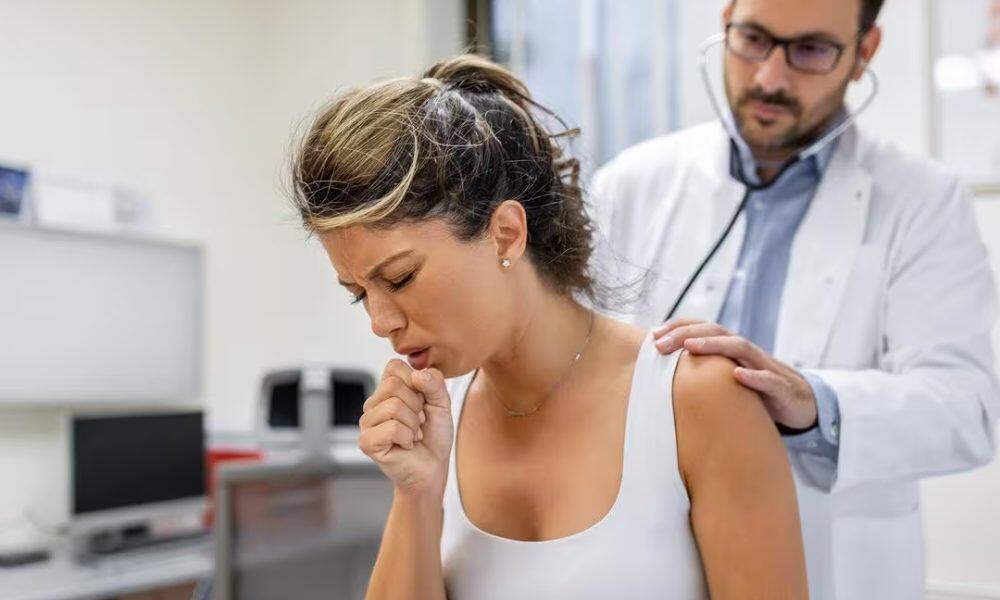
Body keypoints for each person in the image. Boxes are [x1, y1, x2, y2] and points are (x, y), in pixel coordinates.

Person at [289, 55, 808, 599]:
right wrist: (416, 494)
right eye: (359, 294)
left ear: (506, 234)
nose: (380, 322)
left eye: (400, 278)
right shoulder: (433, 423)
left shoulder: (698, 400)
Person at [589, 0, 1000, 598]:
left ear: (863, 53)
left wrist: (814, 401)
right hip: (649, 564)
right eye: (753, 38)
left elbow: (966, 410)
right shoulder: (631, 183)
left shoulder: (924, 202)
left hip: (835, 571)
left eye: (810, 50)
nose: (770, 77)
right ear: (726, 19)